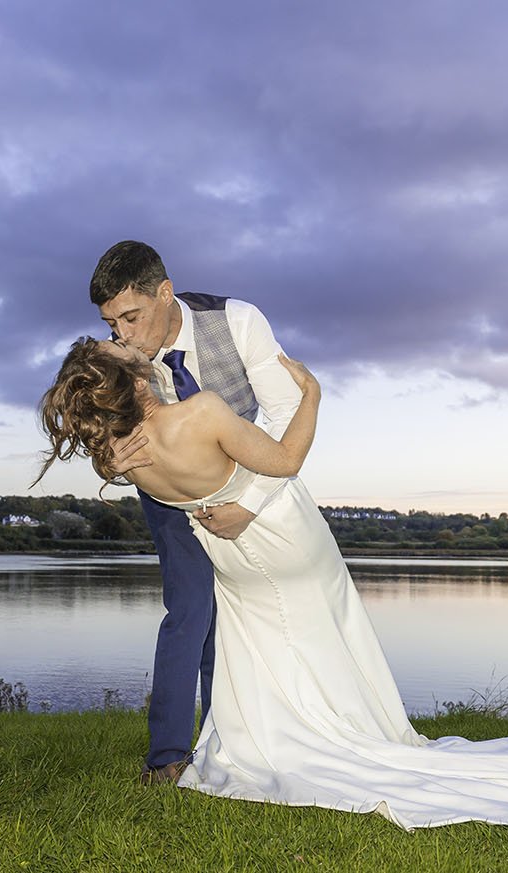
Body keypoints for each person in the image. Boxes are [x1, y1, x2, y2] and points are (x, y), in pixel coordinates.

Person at [35, 338, 508, 832]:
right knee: (328, 631)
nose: (126, 341)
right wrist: (312, 397)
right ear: (134, 378)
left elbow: (116, 464)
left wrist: (107, 461)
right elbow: (285, 461)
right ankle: (346, 733)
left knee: (263, 646)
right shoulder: (201, 412)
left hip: (228, 556)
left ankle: (285, 737)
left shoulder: (119, 455)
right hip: (282, 540)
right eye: (119, 347)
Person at [86, 241, 303, 786]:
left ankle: (231, 739)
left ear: (165, 293)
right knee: (190, 610)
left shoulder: (237, 320)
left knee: (243, 618)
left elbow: (284, 411)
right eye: (112, 323)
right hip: (168, 494)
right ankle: (167, 759)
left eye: (131, 317)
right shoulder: (118, 354)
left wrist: (247, 504)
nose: (124, 335)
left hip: (252, 479)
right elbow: (97, 429)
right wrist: (106, 460)